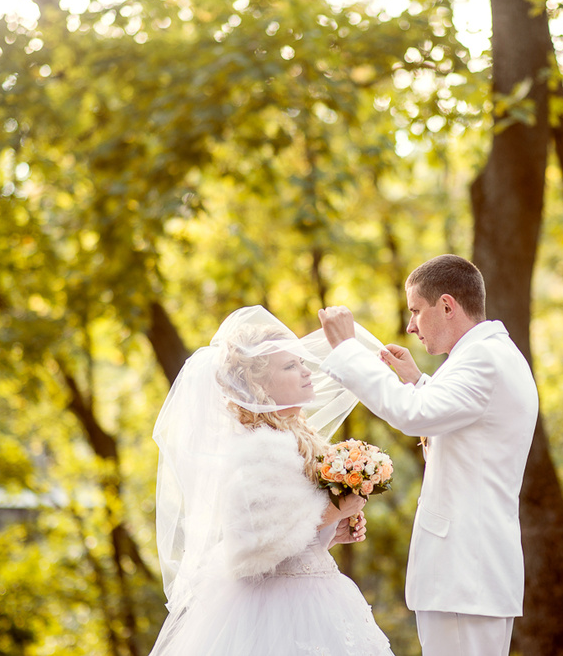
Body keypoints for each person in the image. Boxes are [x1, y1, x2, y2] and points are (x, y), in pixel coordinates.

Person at [317, 254, 538, 656]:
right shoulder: (488, 354)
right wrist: (417, 380)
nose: (410, 325)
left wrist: (347, 351)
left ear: (448, 306)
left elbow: (413, 415)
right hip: (470, 576)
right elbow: (460, 422)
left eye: (416, 311)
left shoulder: (483, 359)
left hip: (462, 576)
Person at [148, 305, 394, 656]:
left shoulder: (296, 436)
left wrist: (330, 532)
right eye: (291, 366)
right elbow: (255, 544)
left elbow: (288, 530)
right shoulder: (259, 446)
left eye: (302, 363)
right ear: (260, 385)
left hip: (314, 590)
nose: (307, 373)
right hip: (279, 608)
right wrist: (335, 509)